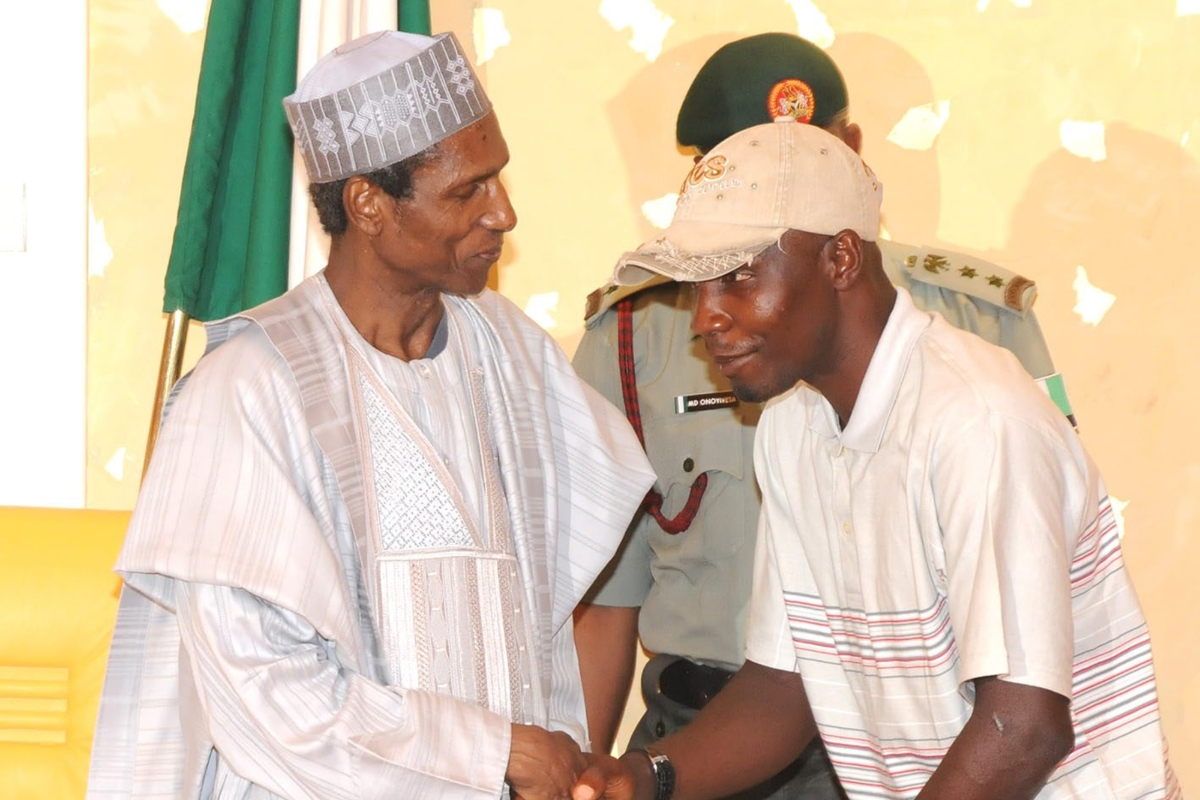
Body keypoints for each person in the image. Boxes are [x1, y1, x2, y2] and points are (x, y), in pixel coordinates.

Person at [85, 30, 656, 800]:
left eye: (499, 179)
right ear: (368, 204)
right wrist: (493, 753)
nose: (505, 214)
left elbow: (555, 622)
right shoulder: (249, 391)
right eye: (468, 191)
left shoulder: (515, 355)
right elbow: (267, 697)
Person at [572, 120, 1179, 800]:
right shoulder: (789, 427)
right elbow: (785, 689)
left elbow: (1025, 723)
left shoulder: (976, 420)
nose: (705, 317)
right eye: (697, 286)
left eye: (738, 275)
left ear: (841, 259)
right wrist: (644, 776)